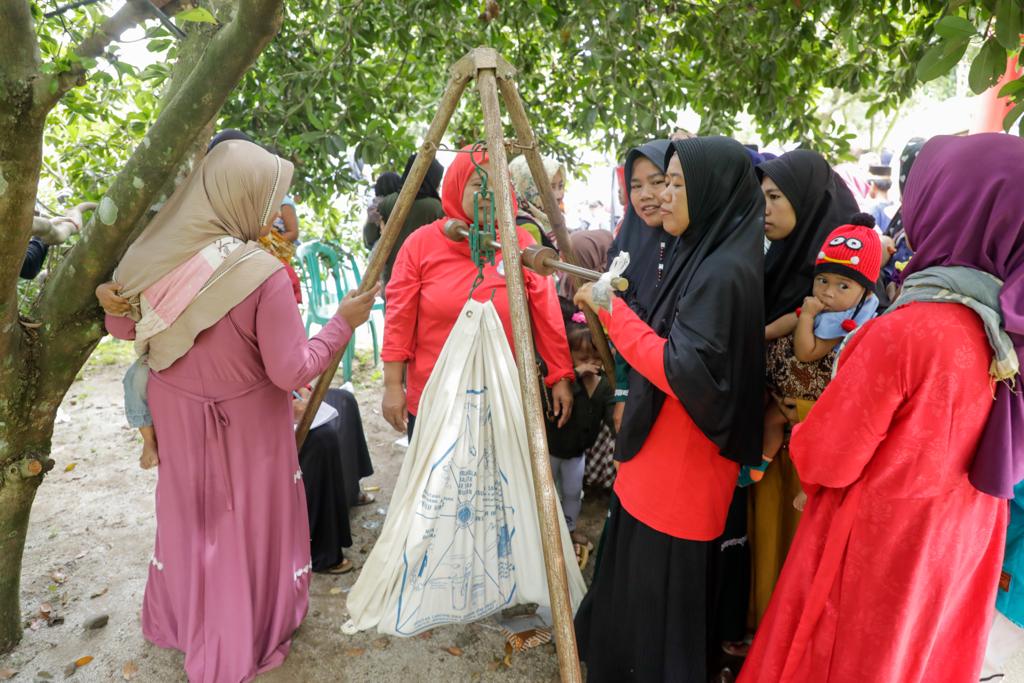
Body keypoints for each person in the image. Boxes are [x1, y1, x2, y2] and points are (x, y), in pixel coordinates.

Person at [740, 133, 1020, 683]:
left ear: (949, 209)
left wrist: (797, 429)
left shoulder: (909, 330)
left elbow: (827, 457)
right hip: (956, 543)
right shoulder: (1006, 328)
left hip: (879, 549)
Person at [99, 139, 379, 682]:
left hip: (176, 412)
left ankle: (184, 622)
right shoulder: (260, 274)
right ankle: (243, 628)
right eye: (270, 200)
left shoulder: (151, 255)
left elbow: (121, 328)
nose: (272, 215)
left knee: (189, 513)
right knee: (245, 519)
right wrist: (342, 324)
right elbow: (291, 372)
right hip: (246, 421)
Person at [573, 136, 765, 682]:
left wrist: (611, 311)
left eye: (676, 184)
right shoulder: (700, 252)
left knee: (662, 601)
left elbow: (679, 369)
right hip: (659, 453)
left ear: (710, 192)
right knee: (640, 588)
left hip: (682, 466)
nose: (664, 196)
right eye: (662, 183)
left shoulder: (723, 271)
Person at [381, 144, 574, 440]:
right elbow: (399, 318)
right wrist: (393, 385)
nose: (487, 193)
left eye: (497, 185)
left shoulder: (520, 244)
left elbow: (547, 314)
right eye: (476, 184)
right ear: (457, 186)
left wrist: (560, 375)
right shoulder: (420, 245)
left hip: (504, 398)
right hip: (436, 398)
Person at [751, 148, 860, 622]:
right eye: (762, 196)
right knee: (766, 547)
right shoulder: (772, 263)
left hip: (814, 453)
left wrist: (799, 412)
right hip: (770, 448)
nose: (765, 208)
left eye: (776, 196)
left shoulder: (848, 284)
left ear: (808, 201)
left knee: (801, 554)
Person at [544, 301, 615, 565]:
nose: (590, 365)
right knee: (548, 491)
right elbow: (551, 405)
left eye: (595, 359)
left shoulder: (604, 386)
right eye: (582, 359)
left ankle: (569, 529)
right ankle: (546, 530)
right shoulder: (563, 383)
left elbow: (611, 416)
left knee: (573, 492)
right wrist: (573, 374)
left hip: (577, 453)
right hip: (552, 449)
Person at [292, 386, 376, 575]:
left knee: (344, 400)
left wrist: (303, 389)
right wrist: (286, 408)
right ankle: (320, 552)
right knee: (322, 438)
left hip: (285, 396)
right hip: (254, 418)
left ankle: (350, 490)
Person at [363, 153, 445, 287]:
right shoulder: (436, 207)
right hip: (429, 280)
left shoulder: (384, 204)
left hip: (393, 281)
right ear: (432, 179)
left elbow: (369, 239)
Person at [509, 154, 566, 249]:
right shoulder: (527, 228)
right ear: (528, 189)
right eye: (551, 187)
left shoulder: (553, 222)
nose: (559, 195)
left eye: (560, 186)